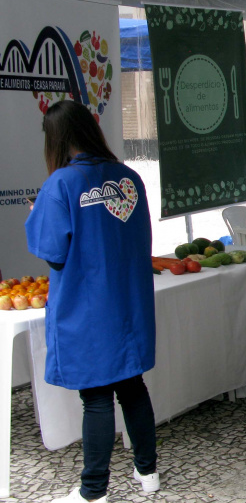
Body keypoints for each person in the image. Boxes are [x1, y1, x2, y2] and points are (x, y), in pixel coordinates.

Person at [25, 101, 159, 503]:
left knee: (97, 396)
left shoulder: (60, 185)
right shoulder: (129, 178)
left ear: (58, 139)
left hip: (87, 308)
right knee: (132, 386)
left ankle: (93, 492)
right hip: (128, 301)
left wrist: (36, 213)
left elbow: (53, 252)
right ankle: (148, 473)